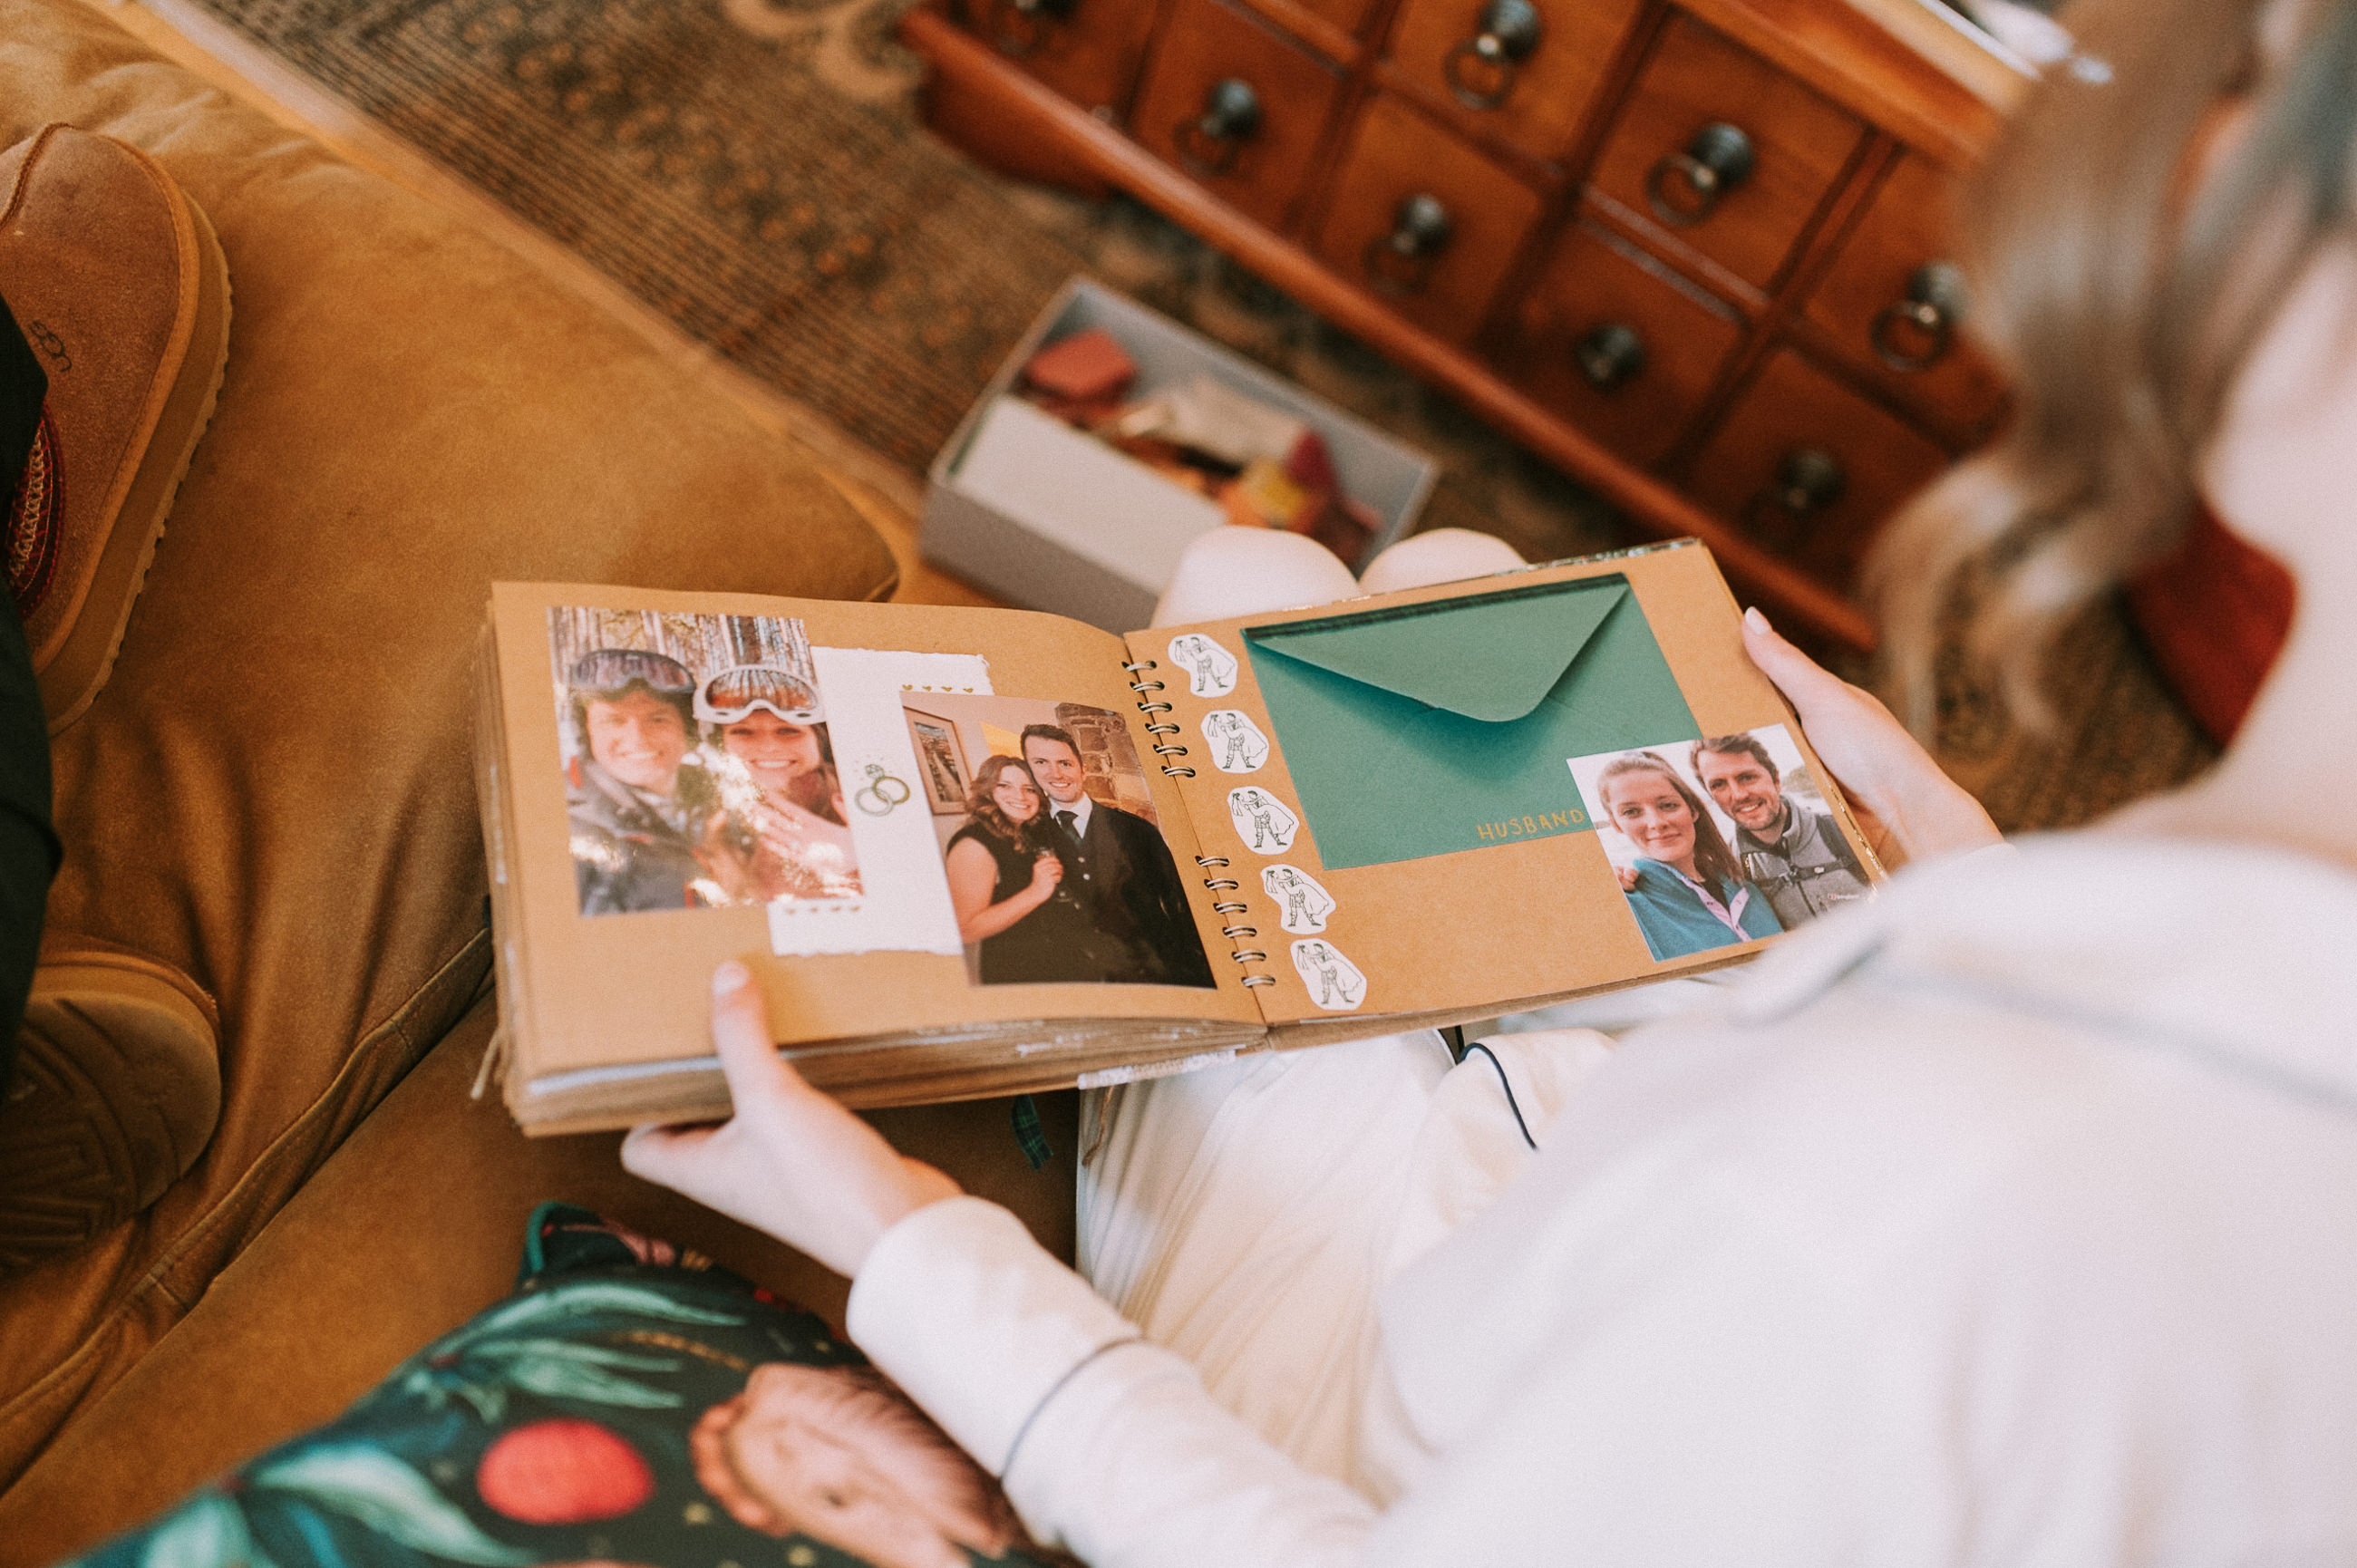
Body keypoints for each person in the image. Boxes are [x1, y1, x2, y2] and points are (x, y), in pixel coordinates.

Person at [618, 0, 2357, 1559]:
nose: (2206, 149)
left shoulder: (1904, 1205)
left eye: (2265, 78)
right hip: (1575, 1198)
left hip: (1375, 1430)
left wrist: (905, 1237)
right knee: (1440, 577)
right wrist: (1966, 874)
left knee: (1243, 585)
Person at [1020, 724, 1215, 988]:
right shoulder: (1026, 837)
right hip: (1082, 984)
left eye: (1065, 763)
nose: (1055, 773)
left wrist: (1200, 976)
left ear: (1082, 769)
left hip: (1157, 977)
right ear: (1030, 771)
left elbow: (1180, 904)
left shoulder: (1137, 830)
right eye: (1041, 762)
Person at [943, 754, 1132, 985]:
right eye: (1005, 786)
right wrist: (1035, 891)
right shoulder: (973, 844)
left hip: (1063, 963)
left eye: (1029, 789)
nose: (1020, 796)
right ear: (987, 792)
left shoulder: (1022, 831)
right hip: (1022, 974)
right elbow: (966, 929)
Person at [563, 647, 719, 915]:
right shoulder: (561, 824)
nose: (638, 738)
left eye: (658, 719)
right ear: (587, 732)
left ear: (687, 729)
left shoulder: (726, 799)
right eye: (613, 720)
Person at [1594, 750, 1783, 960]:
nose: (1656, 822)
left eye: (1668, 805)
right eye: (1631, 812)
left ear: (1693, 810)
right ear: (1616, 824)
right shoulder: (1627, 908)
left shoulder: (1747, 889)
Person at [696, 663, 860, 903]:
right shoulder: (706, 815)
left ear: (820, 743)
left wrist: (859, 860)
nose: (768, 747)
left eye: (788, 731)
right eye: (743, 732)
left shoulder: (862, 797)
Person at [1691, 731, 1869, 927]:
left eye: (1747, 777)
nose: (1739, 794)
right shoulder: (1728, 871)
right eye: (1718, 785)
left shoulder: (1845, 831)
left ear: (1776, 779)